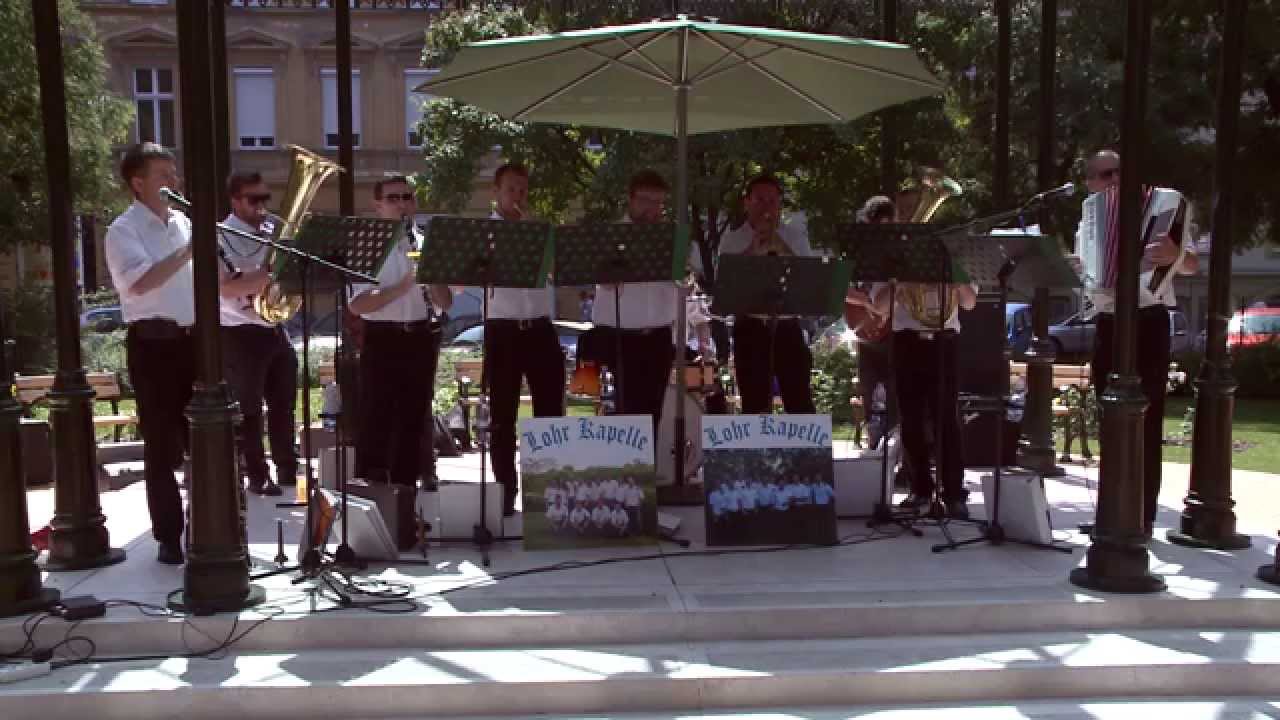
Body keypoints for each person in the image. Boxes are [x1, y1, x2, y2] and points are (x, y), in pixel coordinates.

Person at [1074, 150, 1199, 537]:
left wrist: (1177, 254)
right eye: (1104, 175)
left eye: (1118, 172)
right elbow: (1086, 264)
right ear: (1090, 181)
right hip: (1109, 321)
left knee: (1147, 419)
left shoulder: (1163, 203)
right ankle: (1111, 513)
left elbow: (1193, 261)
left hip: (1148, 319)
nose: (1113, 180)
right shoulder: (1090, 215)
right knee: (1109, 420)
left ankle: (1141, 518)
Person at [103, 142, 195, 565]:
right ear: (137, 184)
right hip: (154, 346)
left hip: (195, 342)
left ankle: (209, 526)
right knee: (162, 447)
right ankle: (169, 537)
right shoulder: (123, 230)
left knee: (208, 438)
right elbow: (140, 283)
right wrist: (188, 251)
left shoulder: (183, 223)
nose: (173, 182)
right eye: (163, 175)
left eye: (173, 174)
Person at [350, 175, 453, 550]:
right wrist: (406, 285)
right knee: (376, 422)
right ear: (377, 206)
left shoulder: (425, 242)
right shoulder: (367, 244)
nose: (402, 204)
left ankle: (405, 512)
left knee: (413, 426)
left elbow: (445, 302)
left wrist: (433, 276)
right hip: (383, 339)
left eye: (407, 197)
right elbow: (358, 303)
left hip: (422, 336)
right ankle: (370, 515)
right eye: (392, 198)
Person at [868, 250, 978, 519]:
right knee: (910, 418)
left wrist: (955, 277)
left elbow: (969, 303)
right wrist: (898, 281)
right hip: (908, 342)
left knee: (947, 419)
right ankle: (920, 489)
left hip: (944, 341)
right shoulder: (894, 261)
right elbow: (880, 307)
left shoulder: (953, 258)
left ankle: (953, 493)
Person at [485, 163, 566, 516]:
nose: (517, 196)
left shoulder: (539, 231)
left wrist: (543, 243)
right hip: (502, 329)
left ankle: (547, 489)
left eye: (522, 190)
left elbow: (560, 274)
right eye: (511, 189)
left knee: (550, 410)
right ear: (496, 192)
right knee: (503, 415)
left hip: (539, 327)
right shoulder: (485, 231)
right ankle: (504, 492)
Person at [216, 170, 296, 498]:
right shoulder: (219, 236)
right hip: (239, 331)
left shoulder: (272, 232)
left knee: (284, 401)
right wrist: (269, 272)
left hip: (274, 327)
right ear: (235, 201)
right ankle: (257, 474)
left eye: (265, 198)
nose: (262, 206)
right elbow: (225, 287)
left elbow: (282, 282)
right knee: (249, 409)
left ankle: (288, 468)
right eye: (254, 200)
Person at [716, 174, 817, 414]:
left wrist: (779, 243)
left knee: (799, 399)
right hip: (749, 326)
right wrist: (752, 249)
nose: (766, 206)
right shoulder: (731, 240)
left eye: (772, 200)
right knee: (754, 403)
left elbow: (808, 277)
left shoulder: (795, 236)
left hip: (787, 325)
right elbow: (726, 283)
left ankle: (802, 452)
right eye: (760, 199)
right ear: (747, 203)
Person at [592, 170, 678, 431]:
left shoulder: (671, 236)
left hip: (659, 336)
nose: (654, 208)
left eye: (659, 202)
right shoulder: (611, 235)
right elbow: (599, 281)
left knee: (653, 413)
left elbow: (682, 281)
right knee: (627, 414)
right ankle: (628, 471)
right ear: (631, 199)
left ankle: (646, 472)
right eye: (647, 200)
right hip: (621, 336)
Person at [845, 195, 899, 449]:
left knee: (896, 395)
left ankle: (897, 454)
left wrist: (885, 308)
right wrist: (867, 304)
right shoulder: (855, 254)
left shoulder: (900, 254)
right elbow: (841, 288)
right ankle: (874, 444)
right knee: (869, 391)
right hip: (865, 333)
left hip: (894, 332)